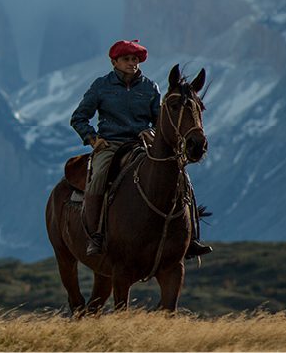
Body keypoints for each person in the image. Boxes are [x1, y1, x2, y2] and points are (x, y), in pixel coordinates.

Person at [70, 40, 212, 257]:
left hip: (142, 144)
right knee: (98, 176)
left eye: (135, 59)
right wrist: (92, 139)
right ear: (114, 62)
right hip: (111, 144)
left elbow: (161, 120)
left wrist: (152, 133)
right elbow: (79, 117)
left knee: (181, 177)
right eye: (126, 59)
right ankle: (96, 236)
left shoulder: (149, 87)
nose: (132, 63)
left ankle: (191, 237)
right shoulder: (101, 86)